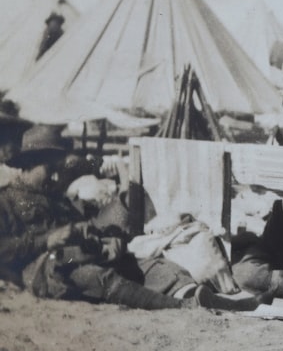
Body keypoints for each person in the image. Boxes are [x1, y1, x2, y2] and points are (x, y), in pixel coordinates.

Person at [0, 124, 259, 312]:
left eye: (59, 169)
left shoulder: (55, 197)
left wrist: (106, 240)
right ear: (27, 165)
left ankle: (200, 295)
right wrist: (47, 240)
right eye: (49, 170)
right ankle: (183, 306)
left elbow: (84, 229)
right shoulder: (6, 201)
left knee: (140, 260)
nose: (57, 177)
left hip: (76, 256)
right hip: (44, 271)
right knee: (94, 275)